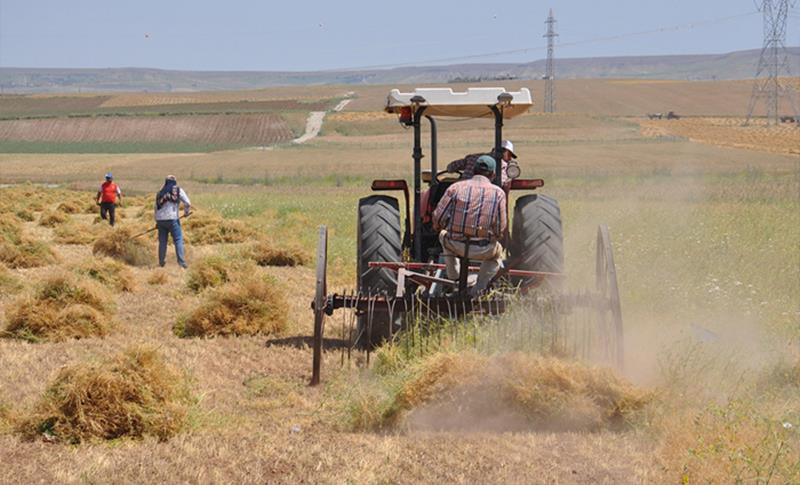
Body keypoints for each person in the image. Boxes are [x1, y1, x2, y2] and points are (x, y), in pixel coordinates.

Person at [433, 155, 507, 296]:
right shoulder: (499, 193)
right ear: (493, 174)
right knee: (496, 255)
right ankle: (478, 289)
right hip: (483, 249)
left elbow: (438, 217)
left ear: (473, 170)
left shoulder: (455, 188)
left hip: (456, 244)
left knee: (443, 237)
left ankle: (454, 276)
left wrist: (439, 227)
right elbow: (500, 228)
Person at [445, 139, 518, 190]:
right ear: (504, 152)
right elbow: (504, 183)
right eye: (509, 155)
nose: (510, 159)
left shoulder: (473, 157)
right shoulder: (504, 167)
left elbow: (450, 167)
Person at [154, 175, 191, 268]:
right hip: (172, 219)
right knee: (178, 240)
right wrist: (186, 212)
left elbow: (155, 208)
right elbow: (187, 203)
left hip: (160, 220)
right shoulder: (178, 190)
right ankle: (181, 263)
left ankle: (161, 262)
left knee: (162, 242)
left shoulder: (160, 192)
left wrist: (157, 221)